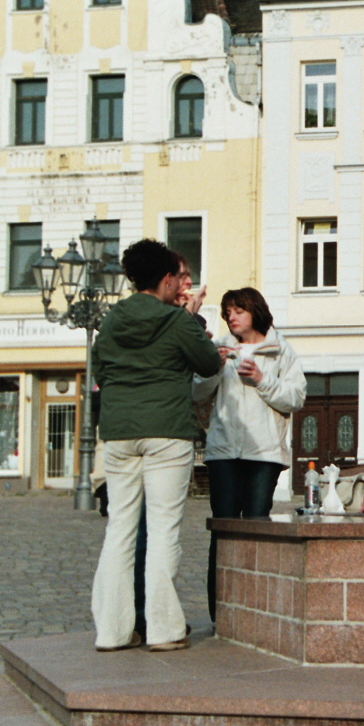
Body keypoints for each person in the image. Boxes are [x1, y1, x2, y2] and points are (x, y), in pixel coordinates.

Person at [90, 238, 222, 653]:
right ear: (167, 279)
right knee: (163, 530)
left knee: (120, 531)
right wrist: (190, 322)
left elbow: (103, 371)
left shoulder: (111, 321)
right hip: (167, 431)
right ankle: (164, 629)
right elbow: (208, 363)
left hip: (119, 431)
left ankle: (112, 631)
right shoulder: (176, 320)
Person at [192, 287, 306, 620]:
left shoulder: (280, 351)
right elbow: (196, 393)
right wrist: (215, 366)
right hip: (224, 451)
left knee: (257, 530)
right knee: (223, 532)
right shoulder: (218, 348)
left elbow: (295, 398)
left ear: (255, 311)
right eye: (228, 312)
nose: (231, 316)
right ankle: (221, 614)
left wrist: (261, 378)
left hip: (264, 454)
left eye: (238, 310)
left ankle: (256, 611)